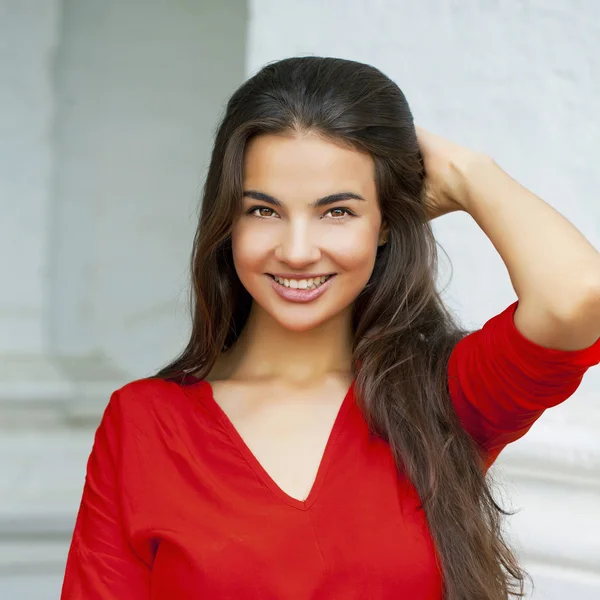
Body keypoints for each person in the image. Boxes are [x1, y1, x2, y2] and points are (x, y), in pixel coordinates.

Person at [60, 56, 600, 600]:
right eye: (263, 211)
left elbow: (576, 297)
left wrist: (468, 174)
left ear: (385, 222)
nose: (296, 251)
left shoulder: (446, 396)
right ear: (228, 221)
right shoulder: (145, 423)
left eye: (336, 212)